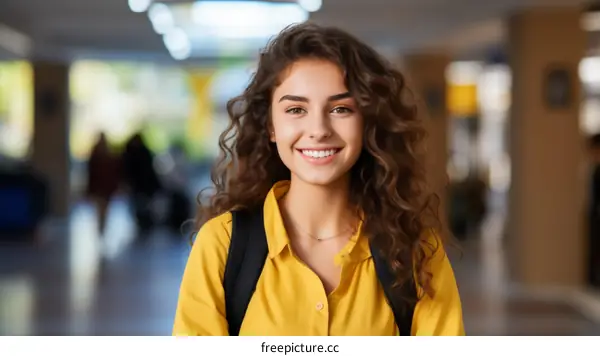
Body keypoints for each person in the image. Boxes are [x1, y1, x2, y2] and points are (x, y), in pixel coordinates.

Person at [173, 22, 464, 336]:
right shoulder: (222, 245)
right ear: (270, 126)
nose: (319, 129)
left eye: (340, 108)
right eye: (296, 109)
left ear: (367, 123)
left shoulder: (416, 250)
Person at [86, 132, 121, 235]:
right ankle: (101, 228)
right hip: (101, 188)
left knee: (103, 210)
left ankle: (102, 227)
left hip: (104, 188)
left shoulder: (105, 155)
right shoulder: (100, 154)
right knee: (101, 209)